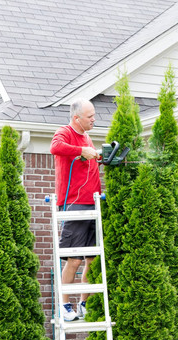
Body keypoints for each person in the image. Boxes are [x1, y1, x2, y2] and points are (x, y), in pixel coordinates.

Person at [50, 98, 101, 321]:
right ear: (76, 118)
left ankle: (83, 304)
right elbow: (55, 147)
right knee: (74, 260)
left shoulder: (87, 137)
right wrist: (82, 150)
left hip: (92, 203)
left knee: (91, 260)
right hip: (75, 203)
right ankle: (64, 306)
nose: (93, 119)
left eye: (93, 115)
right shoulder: (65, 132)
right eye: (89, 116)